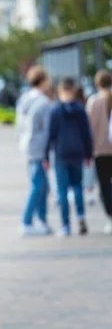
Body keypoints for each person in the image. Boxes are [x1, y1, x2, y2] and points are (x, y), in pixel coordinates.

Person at [44, 77, 93, 237]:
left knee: (62, 190)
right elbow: (87, 133)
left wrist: (45, 155)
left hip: (61, 153)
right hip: (78, 152)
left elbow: (50, 135)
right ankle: (81, 216)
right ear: (73, 90)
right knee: (78, 186)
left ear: (60, 91)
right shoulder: (80, 109)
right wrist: (88, 154)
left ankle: (65, 225)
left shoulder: (55, 110)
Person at [15, 66, 53, 236]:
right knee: (39, 185)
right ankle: (27, 220)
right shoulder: (44, 102)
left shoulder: (25, 98)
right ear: (43, 81)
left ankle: (41, 221)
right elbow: (46, 130)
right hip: (38, 148)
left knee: (41, 184)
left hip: (26, 145)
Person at [86, 69, 112, 234]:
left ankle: (110, 217)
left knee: (104, 186)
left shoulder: (94, 102)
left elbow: (89, 128)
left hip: (100, 151)